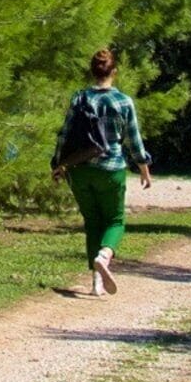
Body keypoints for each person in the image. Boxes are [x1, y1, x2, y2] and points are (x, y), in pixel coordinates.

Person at [53, 46, 153, 296]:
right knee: (115, 221)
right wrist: (143, 167)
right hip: (111, 169)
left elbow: (65, 134)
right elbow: (133, 139)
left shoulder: (79, 98)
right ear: (114, 72)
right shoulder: (123, 101)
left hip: (80, 170)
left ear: (92, 72)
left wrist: (58, 164)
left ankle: (96, 282)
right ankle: (104, 257)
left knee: (93, 222)